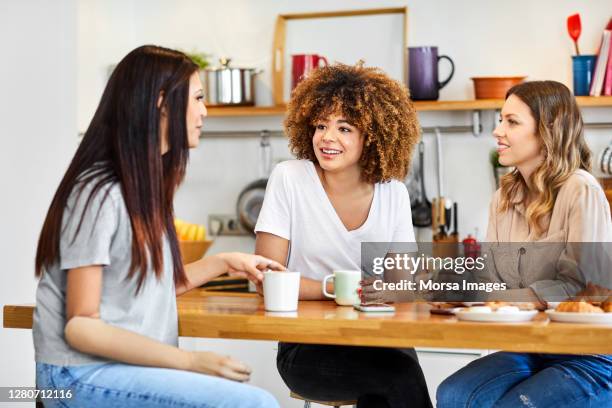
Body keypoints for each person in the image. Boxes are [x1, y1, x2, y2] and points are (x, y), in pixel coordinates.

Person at [33, 45, 283, 408]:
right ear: (161, 103)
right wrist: (191, 362)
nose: (204, 111)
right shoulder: (100, 191)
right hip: (75, 375)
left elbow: (147, 288)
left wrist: (226, 261)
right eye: (197, 98)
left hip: (119, 368)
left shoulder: (145, 185)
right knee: (253, 404)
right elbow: (81, 325)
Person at [254, 63, 432, 408]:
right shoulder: (290, 178)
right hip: (307, 347)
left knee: (392, 379)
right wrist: (331, 289)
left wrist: (398, 286)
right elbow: (265, 278)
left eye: (344, 128)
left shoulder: (392, 191)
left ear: (373, 135)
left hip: (382, 339)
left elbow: (402, 282)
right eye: (320, 125)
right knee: (397, 379)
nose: (327, 138)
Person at [436, 81, 612, 408]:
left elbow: (584, 288)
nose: (498, 131)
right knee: (454, 394)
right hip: (530, 346)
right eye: (500, 120)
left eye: (512, 122)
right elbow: (490, 279)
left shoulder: (580, 190)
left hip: (591, 355)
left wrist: (512, 298)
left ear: (548, 130)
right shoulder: (505, 197)